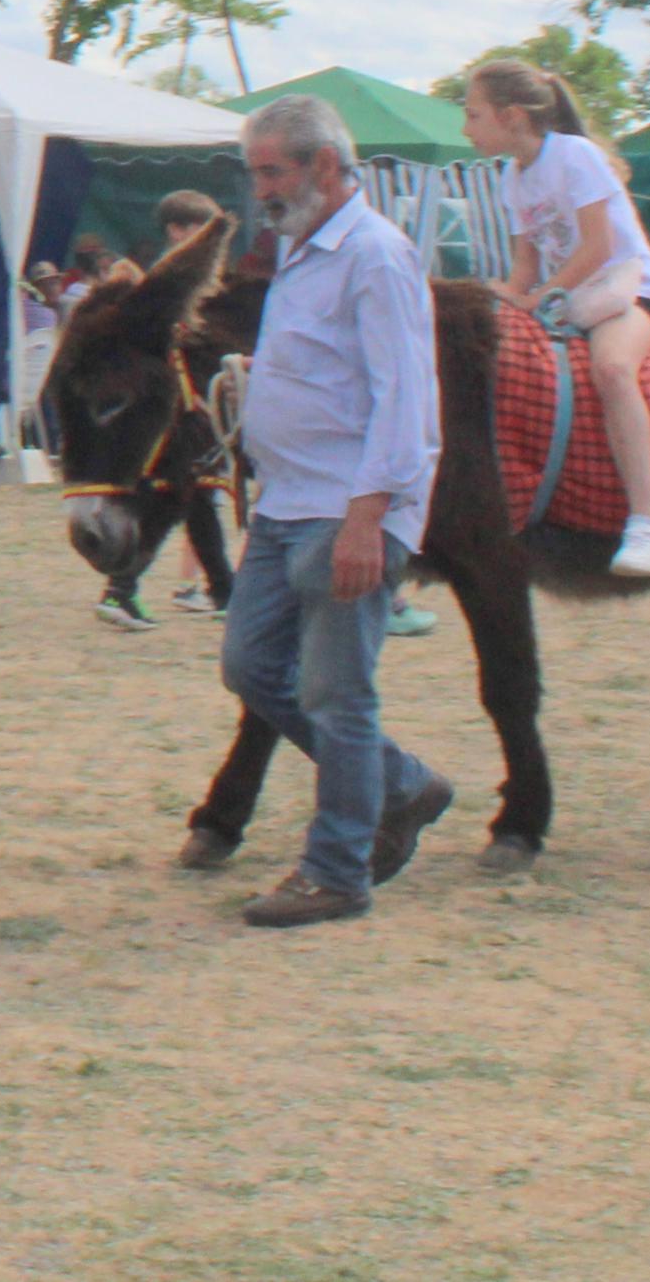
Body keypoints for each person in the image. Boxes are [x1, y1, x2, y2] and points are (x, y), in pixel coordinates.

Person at [222, 94, 453, 928]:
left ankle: (336, 870)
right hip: (290, 500)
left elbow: (405, 398)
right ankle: (396, 783)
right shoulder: (301, 246)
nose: (261, 190)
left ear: (324, 164)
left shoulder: (374, 255)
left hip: (343, 506)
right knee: (250, 667)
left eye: (271, 170)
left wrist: (368, 518)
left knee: (335, 694)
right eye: (255, 172)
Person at [465, 58, 650, 577]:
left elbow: (600, 248)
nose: (465, 129)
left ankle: (647, 526)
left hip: (625, 291)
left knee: (612, 370)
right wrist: (499, 295)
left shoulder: (575, 156)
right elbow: (523, 267)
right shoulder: (512, 178)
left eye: (473, 116)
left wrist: (538, 297)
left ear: (511, 116)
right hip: (568, 299)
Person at [93, 191, 248, 632]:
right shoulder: (171, 283)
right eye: (201, 231)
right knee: (174, 498)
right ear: (178, 231)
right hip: (176, 411)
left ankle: (223, 593)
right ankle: (122, 590)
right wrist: (193, 396)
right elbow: (170, 349)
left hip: (184, 408)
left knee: (194, 498)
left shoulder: (184, 278)